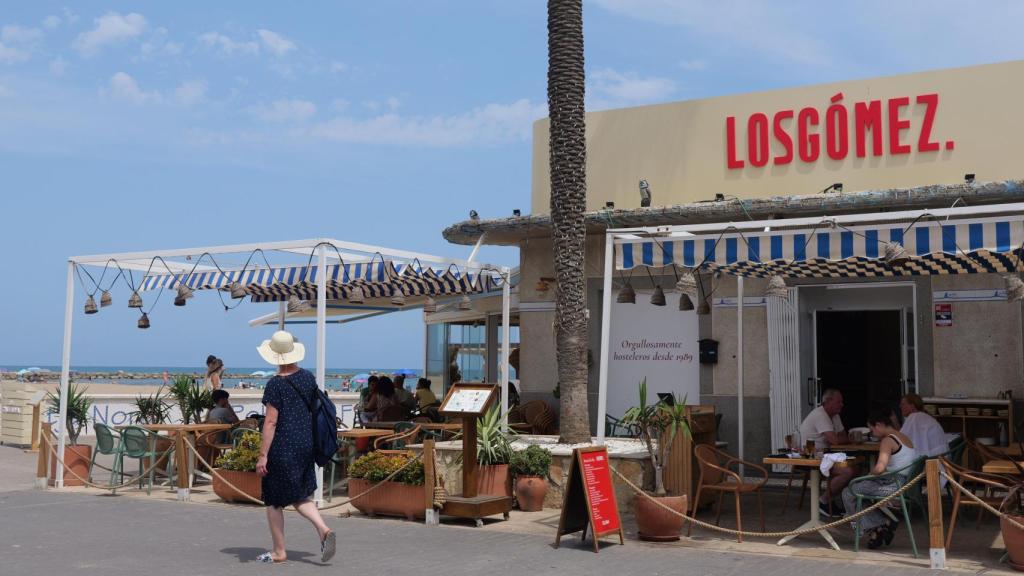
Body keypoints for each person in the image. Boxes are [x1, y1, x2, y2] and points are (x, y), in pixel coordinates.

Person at [254, 330, 335, 564]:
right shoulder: (307, 378)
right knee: (300, 494)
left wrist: (263, 455)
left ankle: (279, 551)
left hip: (283, 446)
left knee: (273, 500)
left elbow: (270, 422)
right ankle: (323, 529)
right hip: (305, 443)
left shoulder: (275, 385)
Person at [841, 409, 917, 549]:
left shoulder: (888, 440)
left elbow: (879, 468)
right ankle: (881, 526)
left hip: (892, 486)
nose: (872, 433)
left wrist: (868, 473)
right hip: (906, 484)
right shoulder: (904, 437)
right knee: (859, 491)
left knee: (848, 492)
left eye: (871, 429)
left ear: (879, 424)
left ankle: (876, 528)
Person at [798, 388, 854, 516]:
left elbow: (842, 435)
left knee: (856, 469)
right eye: (839, 402)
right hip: (810, 457)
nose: (842, 404)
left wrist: (843, 439)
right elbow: (835, 440)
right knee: (848, 471)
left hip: (826, 455)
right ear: (828, 401)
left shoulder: (835, 415)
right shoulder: (820, 415)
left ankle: (832, 500)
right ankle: (823, 501)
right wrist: (847, 439)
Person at [899, 393, 949, 457]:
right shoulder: (924, 416)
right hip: (942, 458)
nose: (900, 406)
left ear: (912, 406)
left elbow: (900, 440)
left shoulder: (914, 417)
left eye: (903, 404)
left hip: (934, 461)